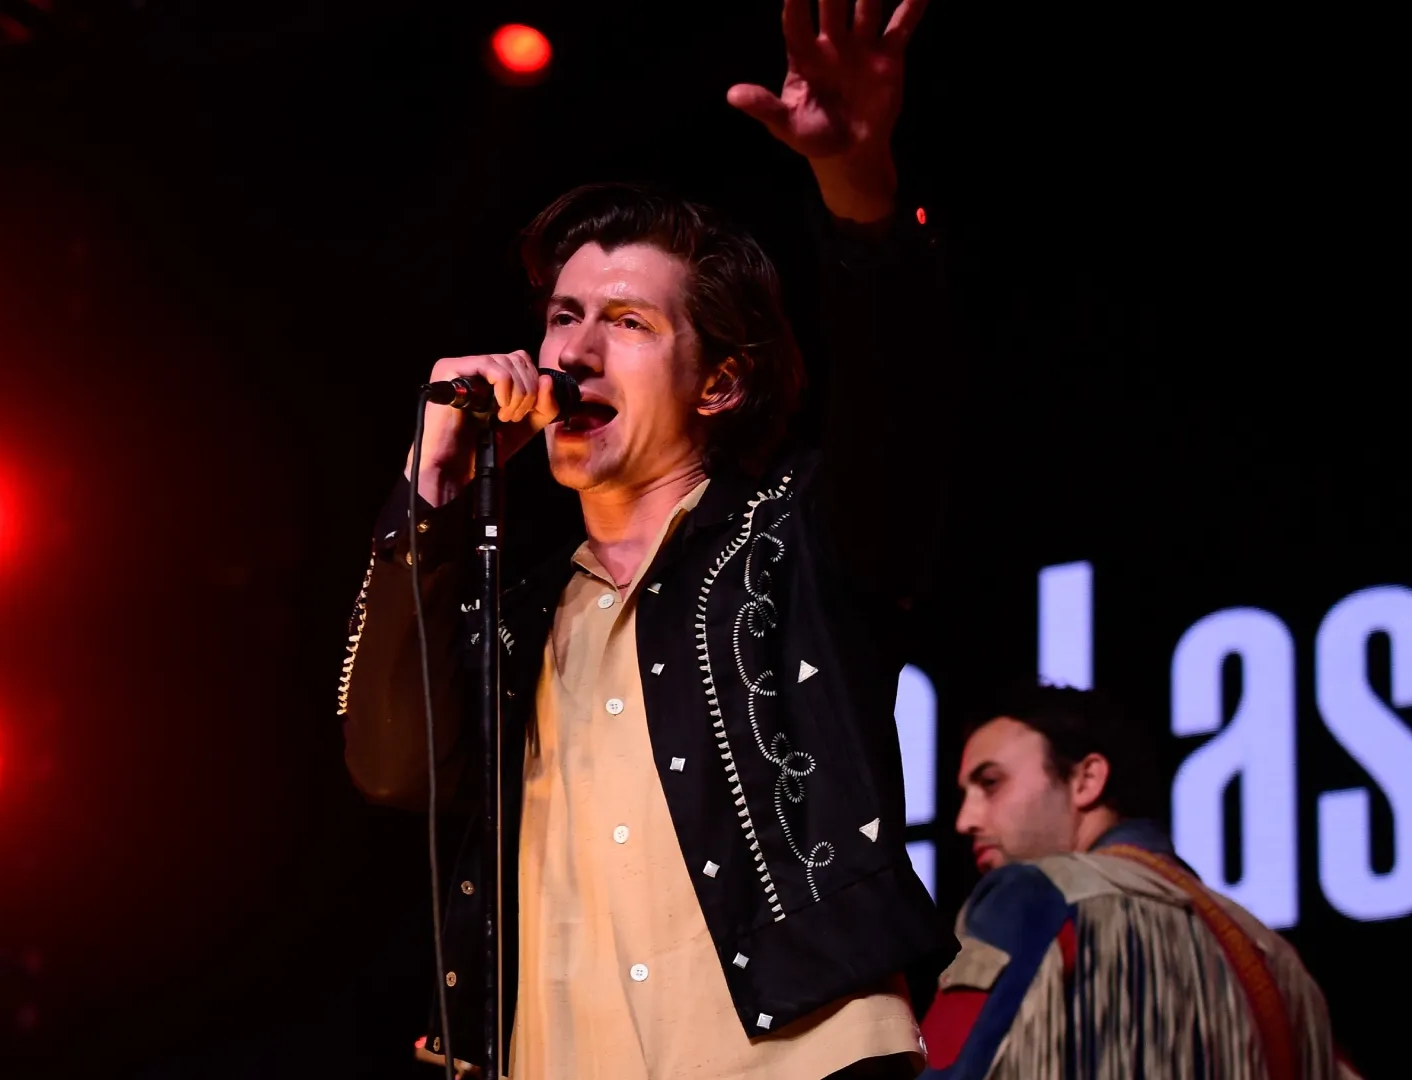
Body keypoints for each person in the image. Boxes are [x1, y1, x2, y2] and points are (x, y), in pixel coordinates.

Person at [337, 1, 954, 1076]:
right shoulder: (518, 603)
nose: (576, 351)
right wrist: (425, 493)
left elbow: (899, 388)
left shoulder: (797, 538)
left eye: (627, 323)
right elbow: (390, 766)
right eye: (565, 315)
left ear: (719, 381)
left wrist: (858, 188)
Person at [921, 685, 1356, 1079]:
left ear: (1086, 780)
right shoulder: (1279, 960)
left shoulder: (1035, 895)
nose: (965, 820)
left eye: (990, 783)